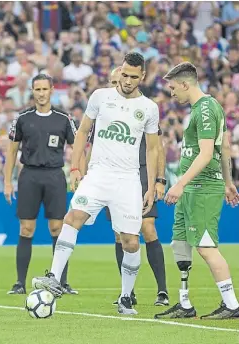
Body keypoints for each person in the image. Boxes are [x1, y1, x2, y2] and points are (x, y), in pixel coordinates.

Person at [32, 52, 161, 316]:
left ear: (142, 77)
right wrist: (76, 166)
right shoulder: (100, 97)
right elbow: (82, 131)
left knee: (130, 242)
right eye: (124, 74)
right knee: (72, 217)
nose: (126, 80)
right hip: (98, 174)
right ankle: (55, 277)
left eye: (133, 76)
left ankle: (126, 297)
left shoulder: (149, 107)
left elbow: (153, 149)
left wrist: (153, 184)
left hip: (128, 180)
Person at [155, 62, 239, 320]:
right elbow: (224, 147)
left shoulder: (205, 109)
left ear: (185, 84)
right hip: (193, 186)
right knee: (180, 242)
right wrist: (228, 181)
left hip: (201, 187)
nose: (171, 93)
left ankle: (232, 305)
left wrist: (179, 183)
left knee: (205, 246)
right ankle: (185, 303)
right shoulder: (204, 108)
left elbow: (205, 153)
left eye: (172, 88)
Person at [87, 67, 169, 307]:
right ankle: (128, 292)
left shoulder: (144, 108)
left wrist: (159, 180)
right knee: (120, 234)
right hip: (114, 174)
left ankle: (162, 290)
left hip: (143, 171)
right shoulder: (106, 107)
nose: (119, 84)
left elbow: (158, 148)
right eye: (114, 80)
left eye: (121, 79)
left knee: (148, 227)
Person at [4, 74, 83, 295]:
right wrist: (7, 183)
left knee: (58, 228)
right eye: (37, 90)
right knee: (26, 228)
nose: (41, 94)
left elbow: (77, 149)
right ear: (32, 91)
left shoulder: (63, 119)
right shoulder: (22, 118)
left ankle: (61, 281)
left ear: (51, 90)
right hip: (29, 175)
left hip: (55, 176)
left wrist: (79, 173)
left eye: (44, 89)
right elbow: (11, 152)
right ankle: (20, 282)